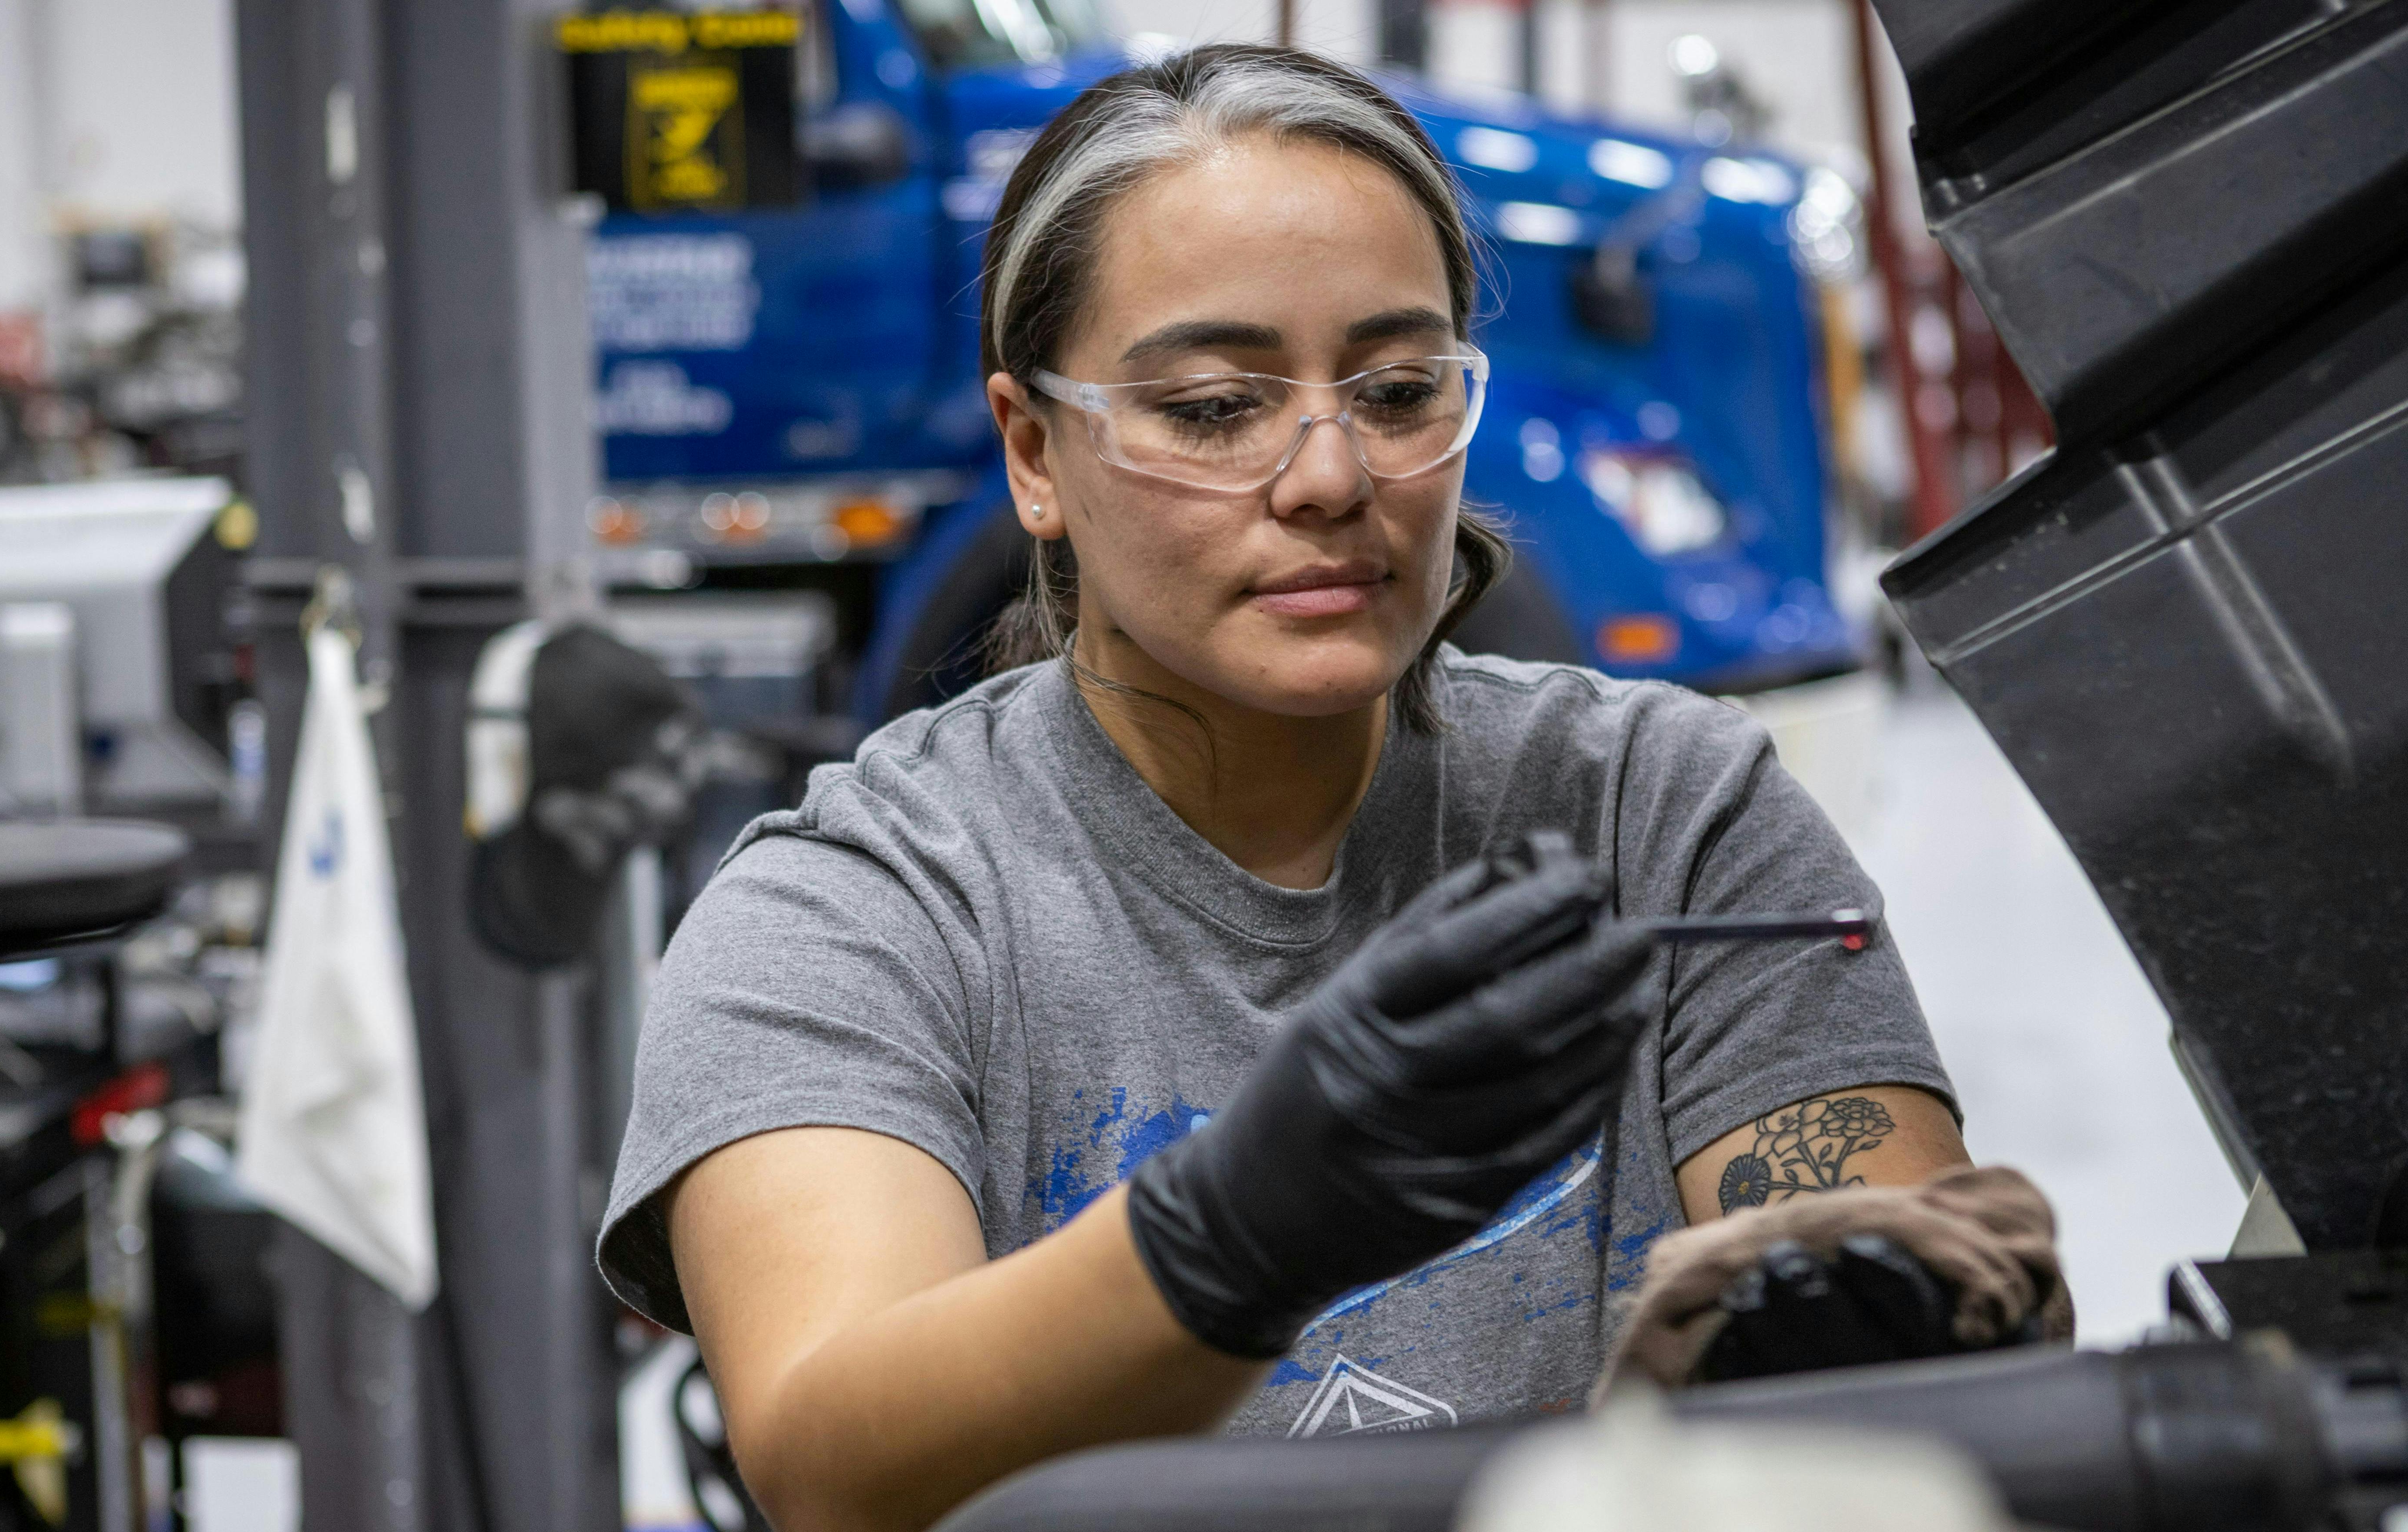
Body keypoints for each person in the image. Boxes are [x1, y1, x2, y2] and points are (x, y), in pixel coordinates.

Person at [598, 43, 1984, 1532]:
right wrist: (1239, 1228)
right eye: (1212, 408)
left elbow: (1888, 1345)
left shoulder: (1666, 809)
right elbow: (831, 1462)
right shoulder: (857, 912)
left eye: (1398, 390)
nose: (1332, 477)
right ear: (1032, 451)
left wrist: (1880, 1330)